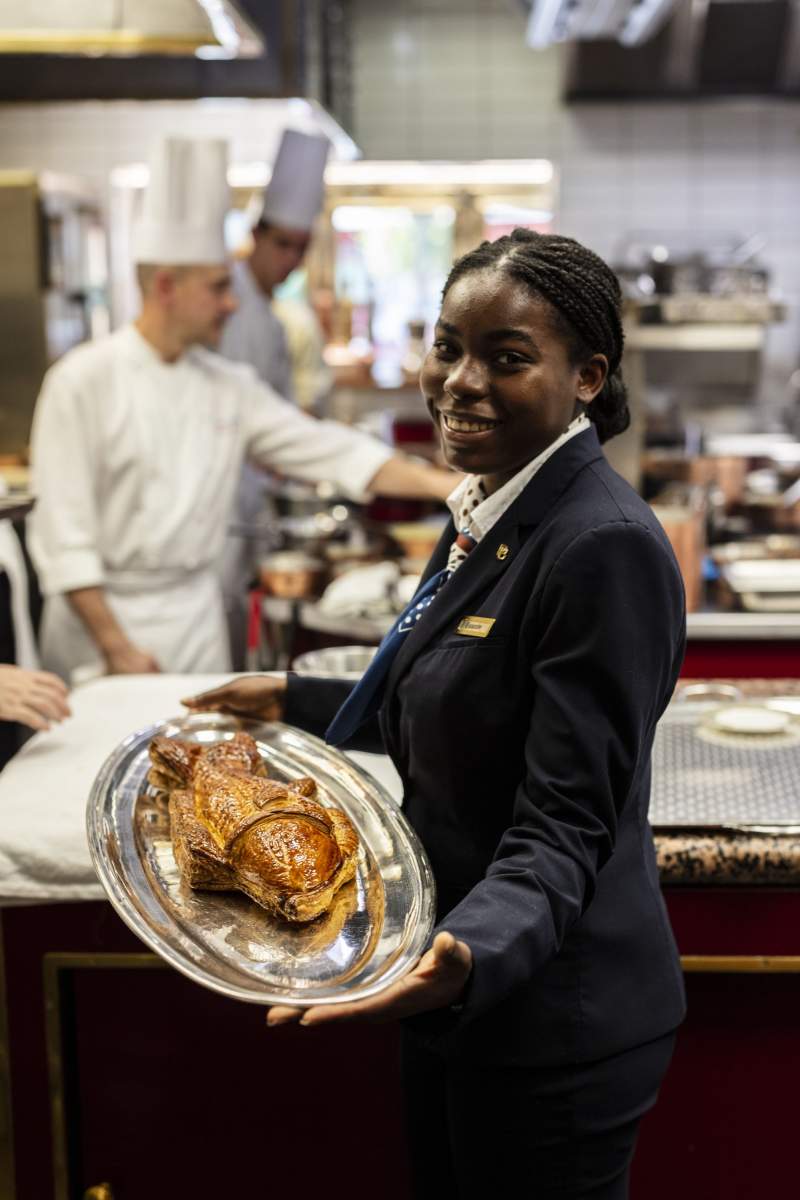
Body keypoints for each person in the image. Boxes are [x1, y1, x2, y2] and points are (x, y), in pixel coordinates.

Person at [184, 228, 687, 1199]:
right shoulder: (494, 503)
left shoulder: (598, 545)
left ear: (586, 376)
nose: (459, 381)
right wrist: (293, 699)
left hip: (550, 1016)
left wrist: (466, 951)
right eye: (447, 347)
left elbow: (567, 820)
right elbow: (461, 692)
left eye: (506, 358)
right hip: (453, 988)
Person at [27, 137, 457, 685]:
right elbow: (63, 539)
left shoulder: (227, 385)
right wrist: (117, 648)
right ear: (165, 287)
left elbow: (328, 449)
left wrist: (448, 484)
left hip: (192, 620)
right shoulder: (80, 381)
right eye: (216, 289)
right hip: (100, 633)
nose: (232, 304)